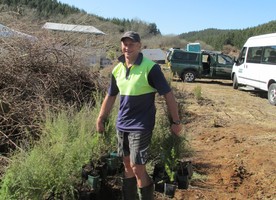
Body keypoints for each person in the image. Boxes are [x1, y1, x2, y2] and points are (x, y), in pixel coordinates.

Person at [96, 31, 182, 200]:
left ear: (139, 46)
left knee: (137, 168)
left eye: (131, 44)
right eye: (125, 44)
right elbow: (110, 96)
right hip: (122, 125)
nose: (127, 48)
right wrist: (101, 118)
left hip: (141, 126)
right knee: (127, 166)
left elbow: (168, 95)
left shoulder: (151, 68)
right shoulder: (117, 69)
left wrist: (176, 121)